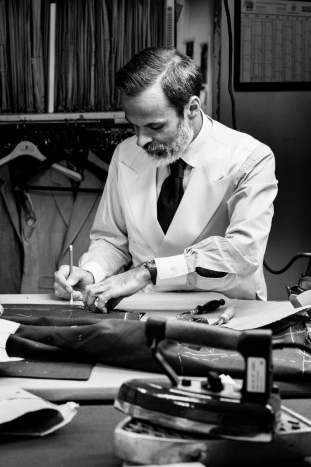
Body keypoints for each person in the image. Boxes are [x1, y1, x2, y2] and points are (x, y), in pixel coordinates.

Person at [54, 47, 277, 311]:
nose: (141, 140)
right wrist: (91, 272)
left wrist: (147, 272)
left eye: (155, 126)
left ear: (191, 108)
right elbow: (111, 239)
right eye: (133, 125)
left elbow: (243, 251)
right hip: (143, 309)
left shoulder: (251, 158)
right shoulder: (125, 154)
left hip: (226, 310)